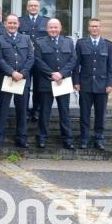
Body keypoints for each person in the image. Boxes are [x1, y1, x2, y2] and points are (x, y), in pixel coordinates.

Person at [34, 19, 77, 150]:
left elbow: (73, 59)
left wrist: (61, 74)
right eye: (51, 27)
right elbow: (38, 60)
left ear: (60, 28)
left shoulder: (68, 42)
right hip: (47, 81)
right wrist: (52, 74)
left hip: (63, 82)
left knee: (64, 112)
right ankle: (42, 138)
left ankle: (67, 139)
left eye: (56, 27)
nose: (53, 30)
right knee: (44, 112)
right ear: (47, 29)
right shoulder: (40, 42)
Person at [73, 18, 112, 150]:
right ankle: (84, 139)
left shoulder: (108, 44)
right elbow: (76, 64)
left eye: (96, 26)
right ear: (88, 28)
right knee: (84, 114)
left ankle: (99, 139)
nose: (94, 28)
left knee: (100, 114)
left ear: (100, 28)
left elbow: (111, 66)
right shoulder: (81, 43)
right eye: (92, 26)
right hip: (85, 84)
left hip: (102, 85)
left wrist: (110, 83)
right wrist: (76, 81)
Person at [0, 14, 35, 149]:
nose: (12, 25)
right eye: (9, 23)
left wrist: (22, 73)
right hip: (6, 78)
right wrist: (12, 72)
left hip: (22, 79)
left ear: (18, 24)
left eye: (14, 23)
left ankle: (21, 137)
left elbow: (30, 57)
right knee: (2, 109)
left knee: (22, 109)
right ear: (5, 24)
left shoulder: (26, 38)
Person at [19, 0, 50, 123]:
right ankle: (24, 111)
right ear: (27, 7)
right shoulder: (21, 21)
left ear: (39, 7)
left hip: (39, 60)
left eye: (35, 6)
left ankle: (36, 110)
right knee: (25, 87)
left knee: (38, 86)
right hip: (24, 59)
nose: (33, 7)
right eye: (30, 5)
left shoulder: (46, 21)